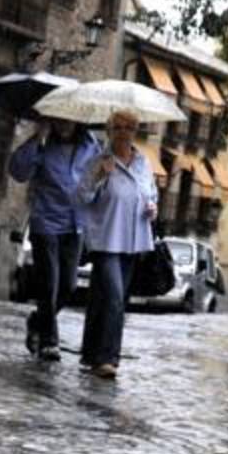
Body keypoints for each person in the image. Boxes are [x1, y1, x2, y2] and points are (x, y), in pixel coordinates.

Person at [8, 117, 101, 361]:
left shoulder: (92, 147)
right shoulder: (43, 145)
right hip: (46, 222)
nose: (63, 124)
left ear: (77, 120)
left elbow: (96, 186)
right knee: (48, 284)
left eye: (68, 120)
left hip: (76, 224)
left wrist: (99, 185)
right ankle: (50, 341)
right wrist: (37, 138)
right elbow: (18, 171)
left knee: (68, 285)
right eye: (58, 120)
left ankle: (37, 321)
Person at [75, 109, 157, 379]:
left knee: (104, 299)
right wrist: (100, 176)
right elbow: (82, 196)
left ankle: (90, 353)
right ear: (109, 131)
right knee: (114, 299)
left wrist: (152, 205)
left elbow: (151, 192)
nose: (124, 133)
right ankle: (108, 359)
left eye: (129, 128)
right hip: (106, 239)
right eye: (118, 128)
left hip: (133, 241)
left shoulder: (143, 163)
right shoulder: (99, 160)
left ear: (135, 132)